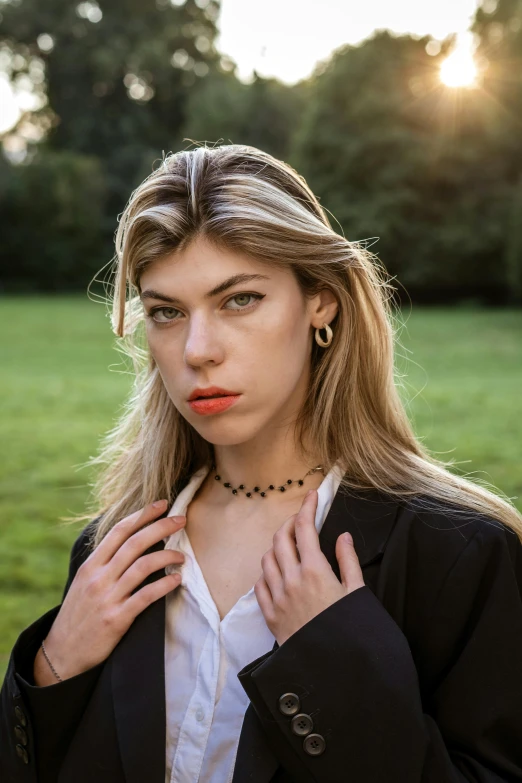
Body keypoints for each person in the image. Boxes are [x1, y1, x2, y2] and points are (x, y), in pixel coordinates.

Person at [1, 143, 522, 783]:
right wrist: (53, 668)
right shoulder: (115, 550)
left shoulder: (460, 554)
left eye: (239, 300)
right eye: (167, 312)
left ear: (321, 303)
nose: (198, 350)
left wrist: (342, 663)